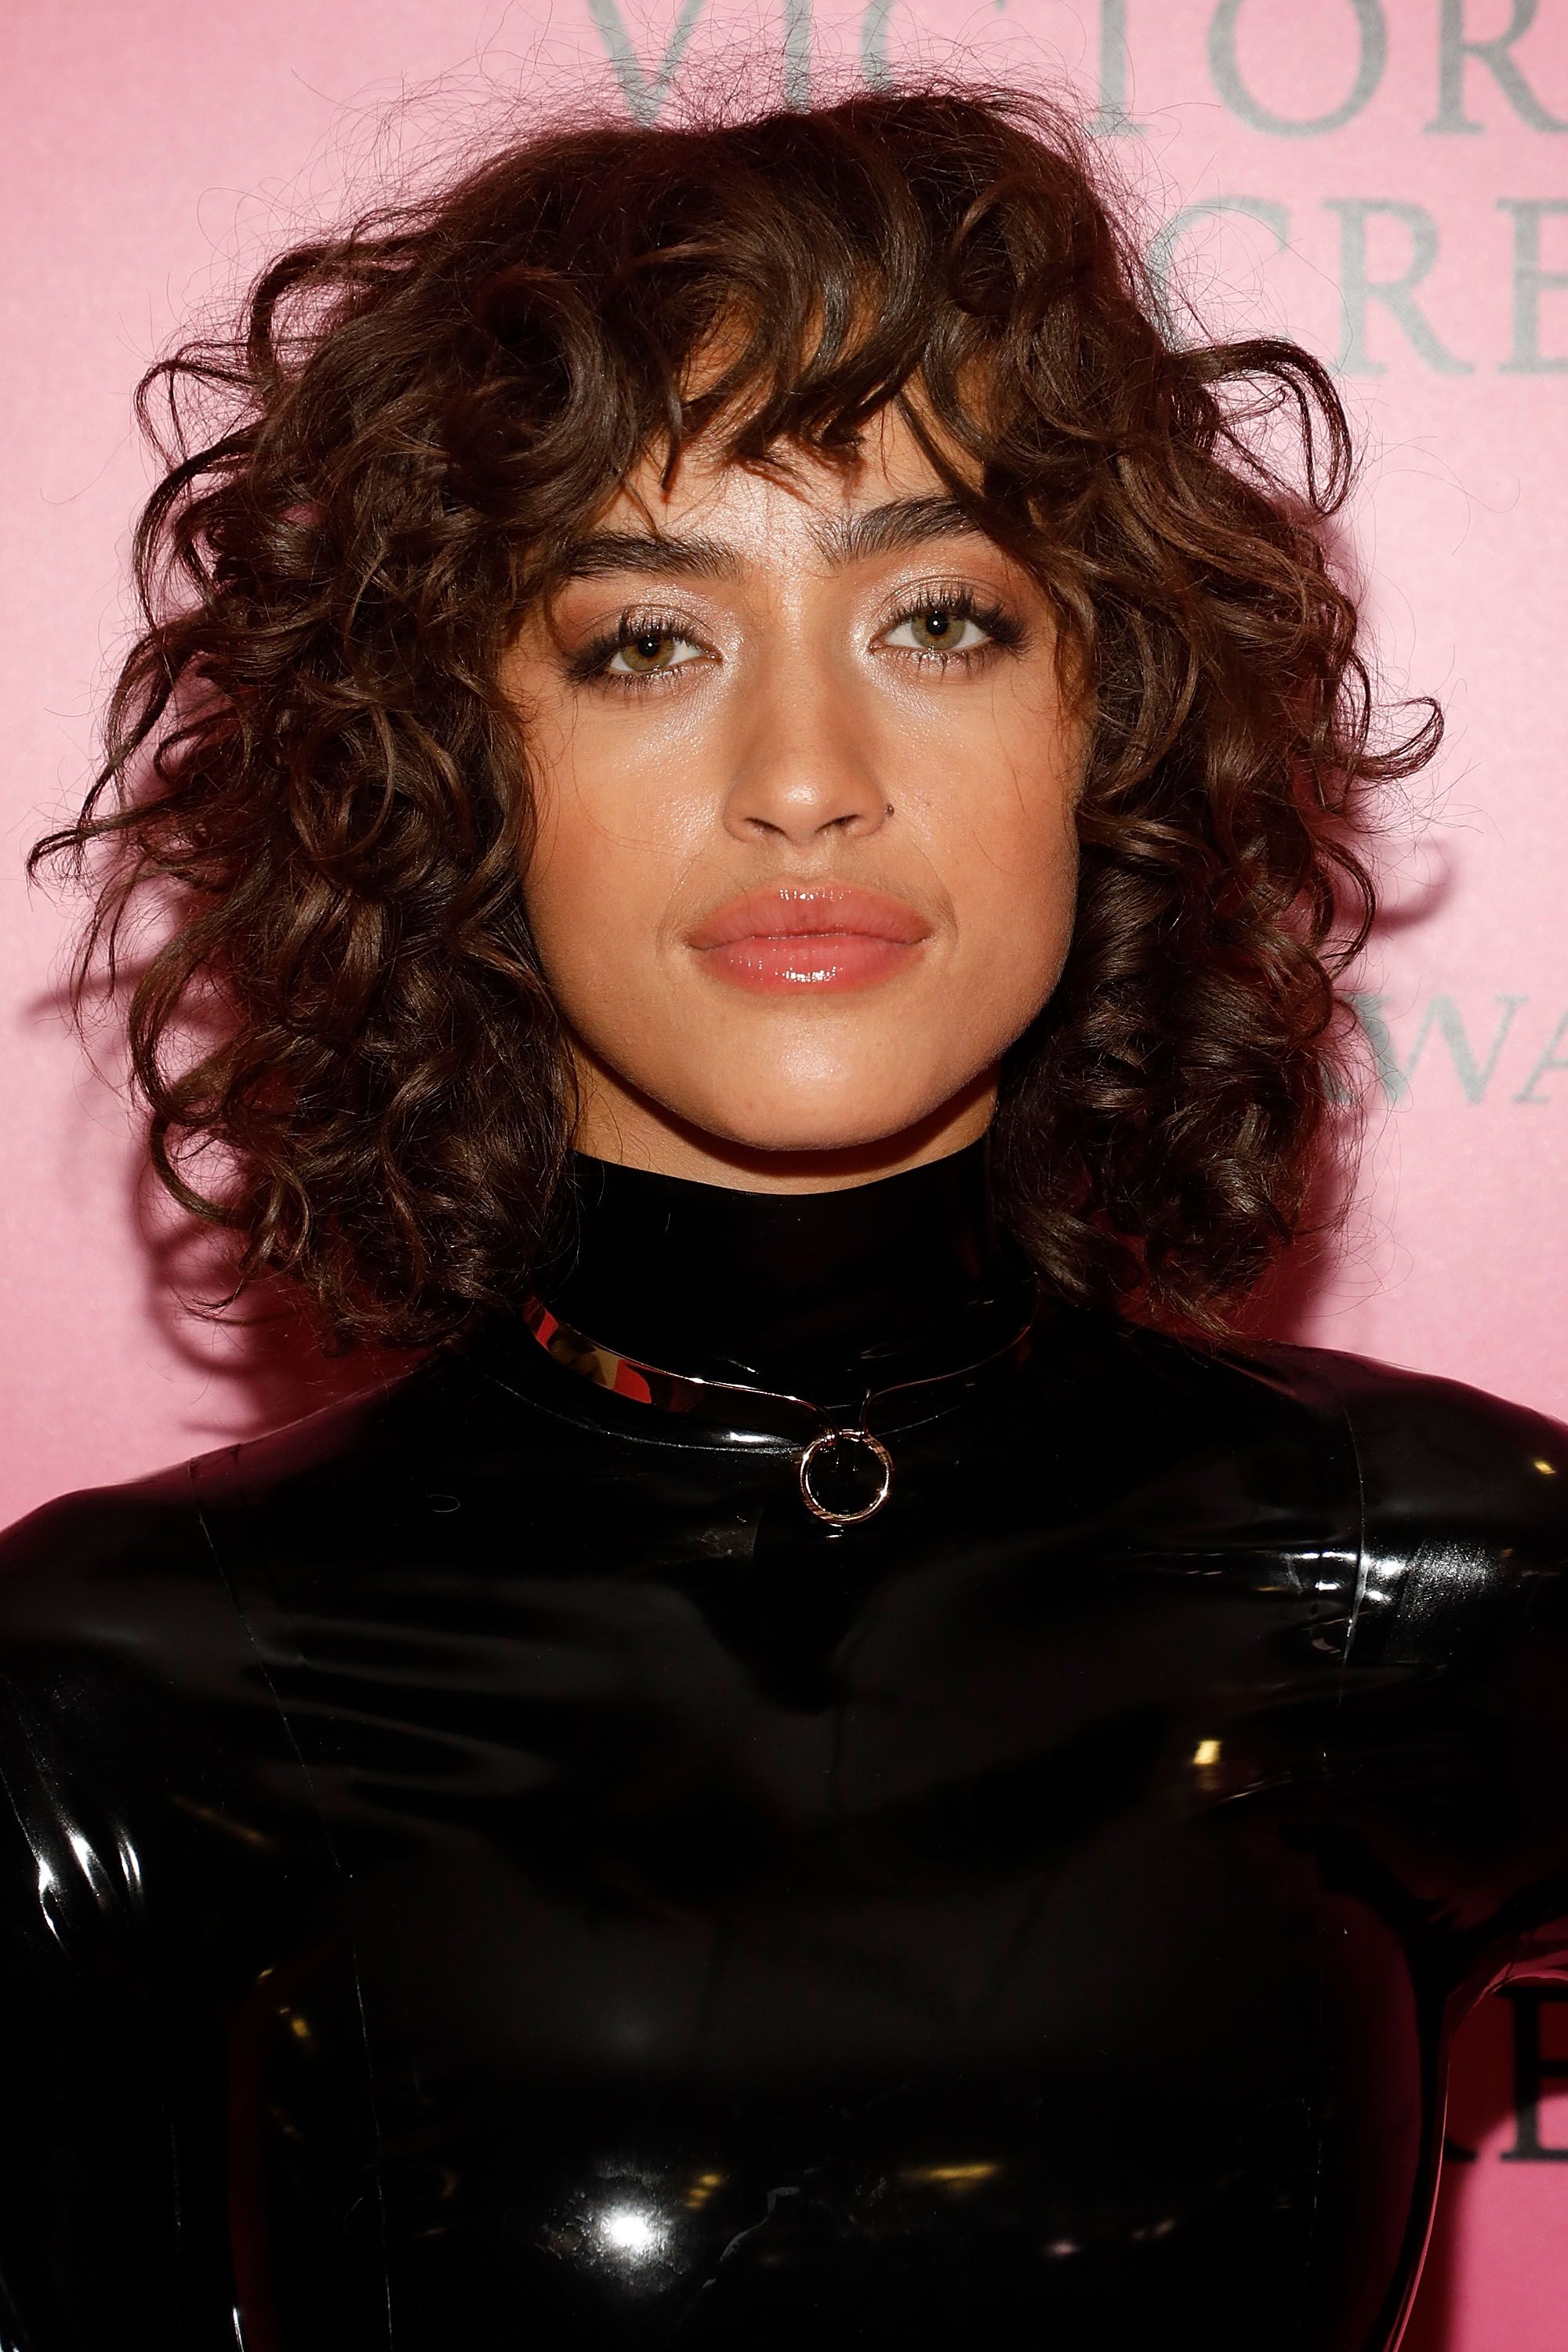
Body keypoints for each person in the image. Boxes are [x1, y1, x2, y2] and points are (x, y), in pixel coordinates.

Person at [7, 78, 1563, 2352]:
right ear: (450, 763)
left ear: (1107, 718)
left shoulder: (1438, 1584)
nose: (808, 779)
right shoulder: (118, 1690)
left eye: (938, 620)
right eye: (647, 641)